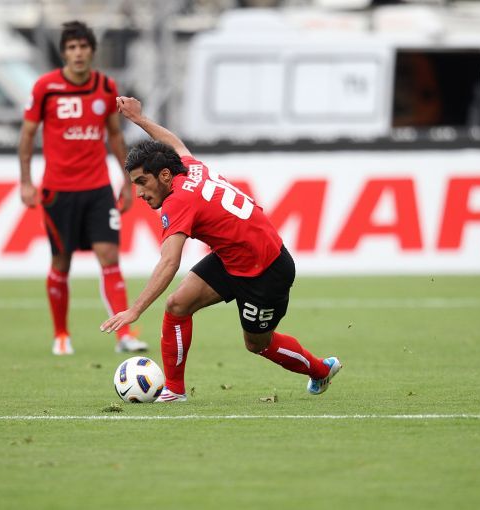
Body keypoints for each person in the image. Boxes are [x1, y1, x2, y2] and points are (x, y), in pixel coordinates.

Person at [100, 96, 342, 402]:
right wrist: (139, 119)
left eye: (142, 182)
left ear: (164, 176)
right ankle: (174, 390)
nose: (139, 192)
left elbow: (170, 262)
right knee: (177, 305)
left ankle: (321, 370)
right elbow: (175, 144)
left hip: (266, 271)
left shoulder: (178, 201)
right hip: (233, 258)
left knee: (257, 344)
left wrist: (135, 309)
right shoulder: (189, 168)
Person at [18, 21, 147, 355]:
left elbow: (115, 136)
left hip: (98, 189)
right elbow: (28, 134)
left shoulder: (105, 87)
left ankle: (124, 335)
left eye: (83, 47)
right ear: (64, 53)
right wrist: (26, 181)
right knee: (61, 263)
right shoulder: (46, 87)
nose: (78, 53)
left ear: (92, 51)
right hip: (58, 192)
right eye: (71, 47)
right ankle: (61, 334)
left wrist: (127, 182)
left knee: (110, 256)